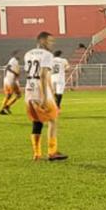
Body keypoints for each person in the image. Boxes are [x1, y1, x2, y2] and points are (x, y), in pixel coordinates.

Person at [24, 32, 67, 161]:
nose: (52, 44)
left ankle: (37, 154)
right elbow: (43, 75)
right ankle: (52, 152)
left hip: (29, 90)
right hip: (40, 90)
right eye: (50, 41)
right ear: (42, 41)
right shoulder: (47, 55)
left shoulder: (28, 54)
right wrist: (44, 96)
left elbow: (30, 72)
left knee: (36, 121)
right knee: (53, 120)